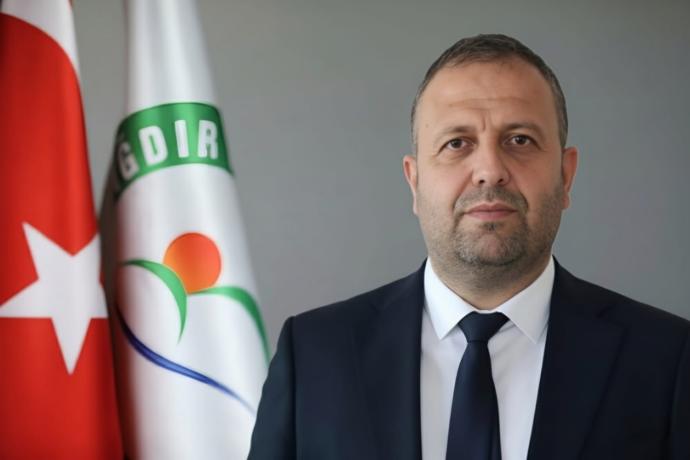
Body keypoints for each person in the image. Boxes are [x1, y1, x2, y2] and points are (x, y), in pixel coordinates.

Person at [247, 34, 690, 460]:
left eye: (520, 140)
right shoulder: (313, 355)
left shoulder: (668, 359)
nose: (489, 170)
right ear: (415, 181)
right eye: (456, 143)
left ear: (566, 175)